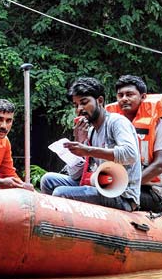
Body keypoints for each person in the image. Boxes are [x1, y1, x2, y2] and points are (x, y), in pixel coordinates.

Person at [40, 77, 141, 211]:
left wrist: (87, 150)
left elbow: (130, 154)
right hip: (99, 185)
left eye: (84, 102)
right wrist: (78, 143)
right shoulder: (91, 131)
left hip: (122, 195)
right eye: (76, 105)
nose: (79, 109)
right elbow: (76, 175)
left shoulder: (117, 122)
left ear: (99, 101)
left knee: (61, 193)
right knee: (48, 180)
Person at [106, 75, 162, 219]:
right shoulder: (111, 126)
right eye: (120, 95)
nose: (124, 99)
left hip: (152, 190)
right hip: (120, 184)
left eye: (130, 94)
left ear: (143, 97)